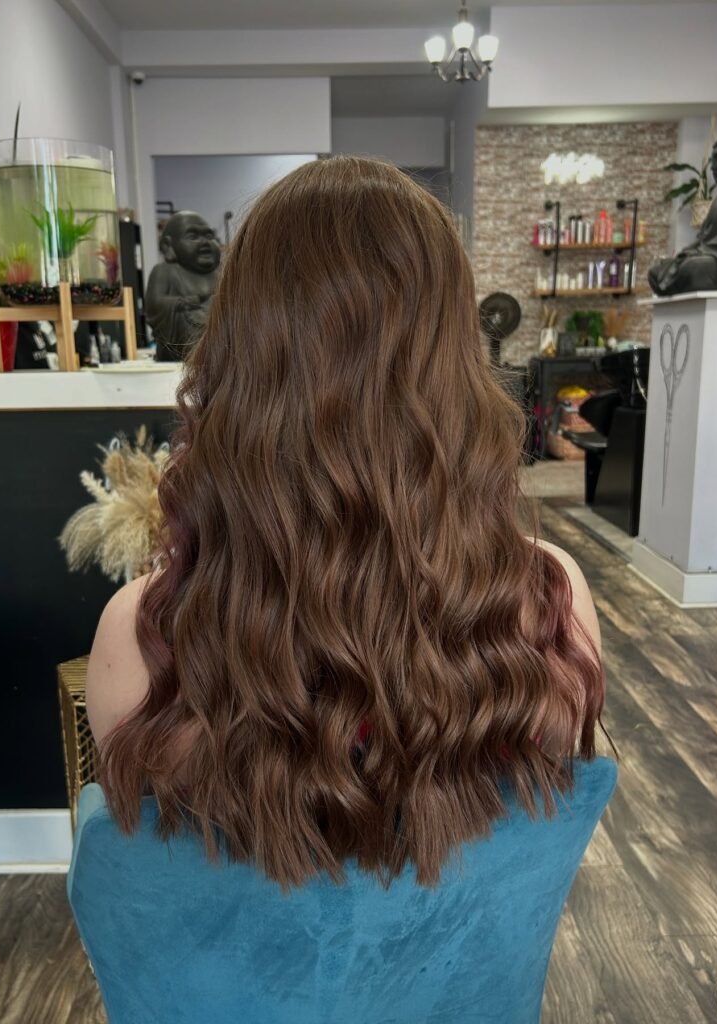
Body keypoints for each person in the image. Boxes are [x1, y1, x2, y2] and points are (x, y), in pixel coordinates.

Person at [87, 157, 606, 890]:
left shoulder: (140, 639)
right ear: (455, 363)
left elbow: (165, 890)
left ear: (235, 361)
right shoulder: (548, 606)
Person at [649, 126, 717, 295]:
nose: (713, 167)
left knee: (692, 268)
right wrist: (686, 253)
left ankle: (677, 278)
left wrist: (693, 255)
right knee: (656, 270)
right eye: (713, 160)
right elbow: (704, 237)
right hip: (711, 256)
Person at [146, 211, 221, 361]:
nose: (205, 243)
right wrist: (189, 302)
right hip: (179, 348)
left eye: (209, 236)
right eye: (193, 237)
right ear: (168, 245)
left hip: (218, 348)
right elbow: (154, 305)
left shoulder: (220, 275)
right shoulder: (165, 271)